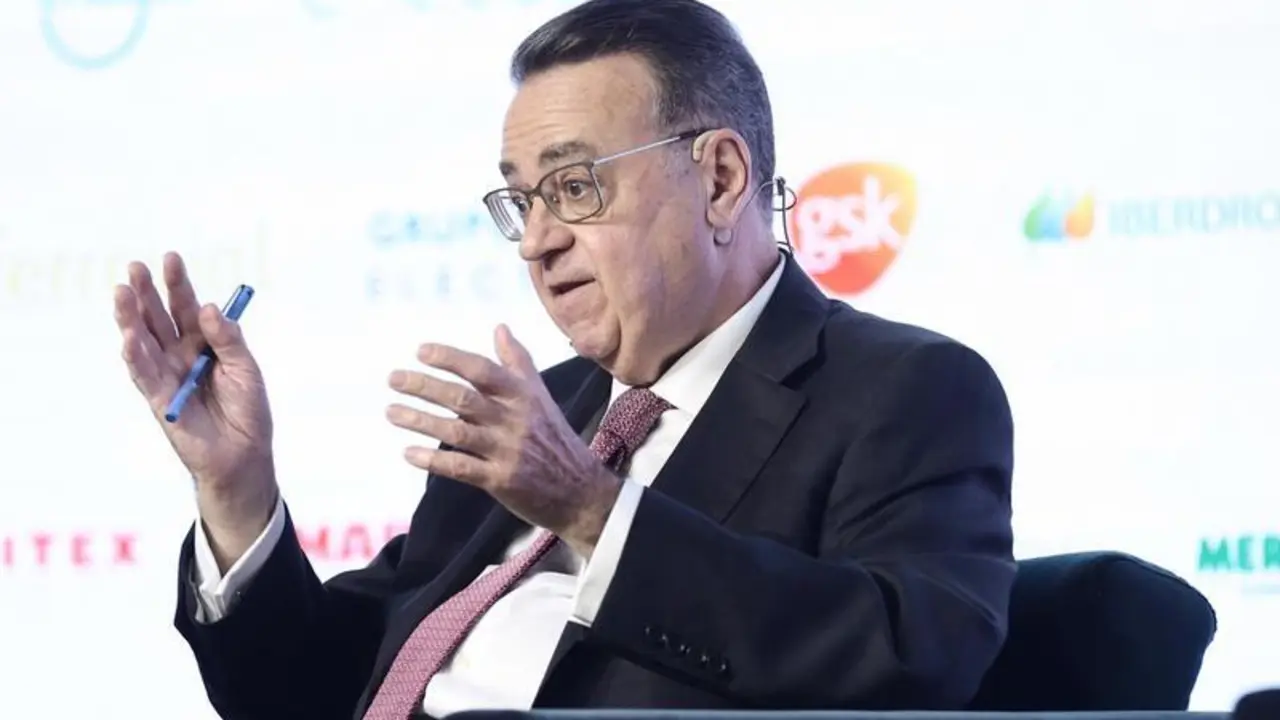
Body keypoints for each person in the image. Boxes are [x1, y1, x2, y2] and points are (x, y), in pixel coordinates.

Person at [112, 0, 1016, 718]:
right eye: (521, 200)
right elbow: (304, 693)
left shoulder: (904, 392)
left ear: (720, 179)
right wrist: (236, 490)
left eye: (575, 186)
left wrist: (591, 509)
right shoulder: (543, 411)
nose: (534, 241)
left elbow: (915, 660)